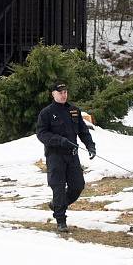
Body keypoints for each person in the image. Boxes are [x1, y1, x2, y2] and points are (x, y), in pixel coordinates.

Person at [36, 82, 96, 233]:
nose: (63, 95)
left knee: (77, 186)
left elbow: (83, 131)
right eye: (60, 92)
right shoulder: (46, 113)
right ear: (53, 94)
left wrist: (90, 145)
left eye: (65, 92)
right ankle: (61, 220)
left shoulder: (74, 110)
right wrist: (59, 140)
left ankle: (57, 205)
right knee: (58, 187)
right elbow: (41, 134)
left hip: (72, 155)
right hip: (55, 156)